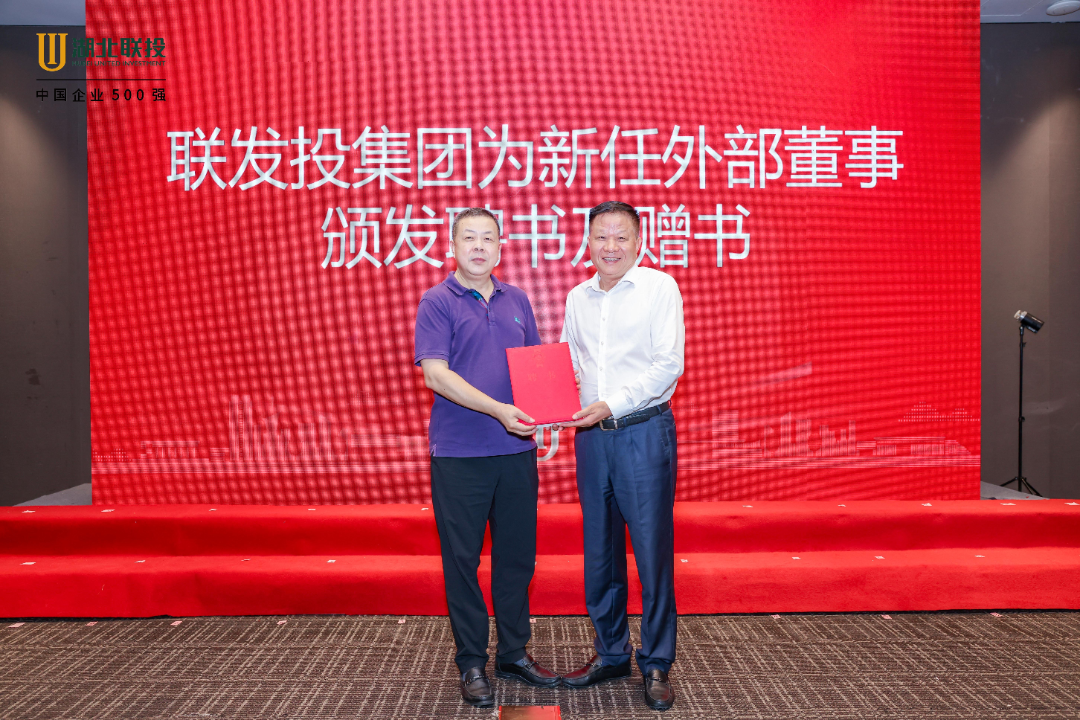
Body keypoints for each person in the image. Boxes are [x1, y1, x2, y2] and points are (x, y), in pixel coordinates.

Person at [414, 207, 560, 707]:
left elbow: (535, 369)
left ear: (500, 247)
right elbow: (436, 375)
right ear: (452, 246)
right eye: (469, 238)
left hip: (516, 452)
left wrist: (552, 413)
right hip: (460, 455)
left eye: (488, 239)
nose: (479, 247)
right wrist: (499, 410)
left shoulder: (517, 299)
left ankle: (513, 653)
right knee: (462, 562)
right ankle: (472, 661)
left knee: (517, 558)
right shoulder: (437, 301)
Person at [556, 201, 684, 711]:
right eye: (600, 237)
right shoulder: (577, 297)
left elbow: (667, 365)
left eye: (621, 237)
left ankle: (655, 662)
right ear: (587, 243)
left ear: (639, 241)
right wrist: (552, 393)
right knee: (600, 552)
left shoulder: (659, 288)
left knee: (651, 553)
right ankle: (611, 653)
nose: (610, 247)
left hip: (642, 433)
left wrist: (612, 403)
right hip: (592, 439)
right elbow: (568, 360)